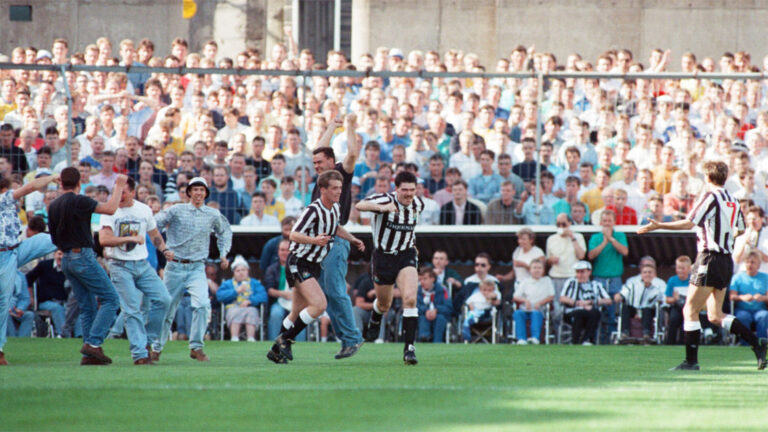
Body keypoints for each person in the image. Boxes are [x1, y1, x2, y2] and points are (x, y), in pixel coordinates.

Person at [638, 160, 767, 370]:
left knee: (690, 309)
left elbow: (690, 222)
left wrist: (659, 225)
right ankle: (757, 344)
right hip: (726, 260)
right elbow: (741, 228)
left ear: (707, 178)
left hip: (709, 258)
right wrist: (728, 237)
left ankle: (691, 361)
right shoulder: (733, 200)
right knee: (715, 315)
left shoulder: (711, 196)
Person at [267, 170, 365, 364]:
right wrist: (314, 240)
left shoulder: (335, 208)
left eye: (340, 188)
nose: (339, 192)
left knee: (296, 312)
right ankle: (285, 339)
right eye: (335, 188)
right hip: (299, 262)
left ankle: (276, 351)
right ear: (323, 190)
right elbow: (294, 235)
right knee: (319, 305)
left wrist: (353, 239)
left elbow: (334, 227)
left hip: (313, 265)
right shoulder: (313, 210)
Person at [48, 168, 128, 365]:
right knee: (111, 299)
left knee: (87, 305)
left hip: (66, 257)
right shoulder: (79, 200)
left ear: (61, 183)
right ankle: (93, 343)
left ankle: (89, 354)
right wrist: (118, 186)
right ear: (79, 183)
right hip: (82, 255)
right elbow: (109, 209)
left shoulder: (54, 205)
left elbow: (54, 238)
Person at [301, 115, 365, 359]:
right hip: (320, 240)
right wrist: (331, 126)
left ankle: (352, 339)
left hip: (333, 240)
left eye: (320, 162)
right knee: (328, 291)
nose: (315, 165)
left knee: (336, 291)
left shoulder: (340, 174)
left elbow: (352, 154)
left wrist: (348, 126)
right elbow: (320, 149)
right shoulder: (322, 180)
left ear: (331, 161)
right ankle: (348, 339)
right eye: (315, 162)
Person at [153, 177, 233, 362]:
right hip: (174, 267)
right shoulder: (176, 210)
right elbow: (153, 223)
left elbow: (225, 231)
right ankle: (156, 348)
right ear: (189, 192)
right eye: (195, 189)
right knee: (167, 308)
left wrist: (223, 254)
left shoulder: (212, 214)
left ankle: (196, 346)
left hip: (197, 267)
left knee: (203, 305)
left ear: (206, 193)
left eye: (201, 190)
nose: (198, 193)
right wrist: (163, 248)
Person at [98, 176, 172, 365]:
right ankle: (139, 354)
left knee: (164, 299)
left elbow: (154, 233)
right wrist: (128, 239)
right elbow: (104, 240)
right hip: (120, 265)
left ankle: (147, 340)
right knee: (132, 309)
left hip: (142, 264)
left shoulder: (143, 209)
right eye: (116, 192)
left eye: (122, 192)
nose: (118, 196)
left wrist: (164, 249)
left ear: (132, 192)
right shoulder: (109, 210)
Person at [356, 171, 425, 364]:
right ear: (396, 189)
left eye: (412, 190)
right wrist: (382, 208)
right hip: (383, 257)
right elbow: (359, 205)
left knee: (410, 298)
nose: (409, 194)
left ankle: (409, 348)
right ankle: (376, 316)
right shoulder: (385, 198)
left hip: (406, 255)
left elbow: (410, 229)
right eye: (405, 190)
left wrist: (413, 246)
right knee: (384, 303)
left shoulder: (418, 204)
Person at [0, 173, 60, 365]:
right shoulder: (5, 198)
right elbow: (31, 186)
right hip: (4, 255)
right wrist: (52, 177)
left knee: (47, 238)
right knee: (3, 301)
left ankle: (74, 240)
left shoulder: (8, 203)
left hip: (15, 249)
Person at [587, 209, 629, 342]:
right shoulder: (595, 238)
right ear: (600, 222)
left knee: (613, 309)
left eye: (609, 221)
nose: (607, 223)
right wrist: (604, 242)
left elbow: (624, 251)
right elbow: (591, 255)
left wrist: (611, 239)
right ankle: (597, 338)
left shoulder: (620, 235)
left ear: (614, 222)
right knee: (597, 309)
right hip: (599, 278)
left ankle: (612, 337)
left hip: (615, 278)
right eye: (604, 221)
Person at [216, 255, 268, 342]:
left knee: (252, 311)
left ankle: (251, 338)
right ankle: (234, 338)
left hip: (249, 307)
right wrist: (235, 292)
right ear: (234, 273)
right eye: (238, 271)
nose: (241, 272)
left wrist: (250, 301)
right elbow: (220, 296)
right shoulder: (227, 284)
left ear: (248, 271)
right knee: (234, 311)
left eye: (243, 270)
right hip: (233, 307)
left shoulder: (254, 283)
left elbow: (263, 295)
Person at [560, 261, 612, 345]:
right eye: (578, 272)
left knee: (595, 312)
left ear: (589, 272)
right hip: (573, 311)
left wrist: (592, 302)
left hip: (591, 311)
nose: (579, 275)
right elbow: (562, 298)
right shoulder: (571, 282)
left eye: (582, 272)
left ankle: (585, 340)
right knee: (580, 313)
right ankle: (578, 341)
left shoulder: (596, 284)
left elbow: (608, 300)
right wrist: (578, 303)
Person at [545, 213, 586, 314]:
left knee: (573, 307)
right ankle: (557, 329)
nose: (561, 227)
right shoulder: (551, 239)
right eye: (558, 224)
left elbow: (581, 256)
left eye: (563, 224)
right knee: (556, 308)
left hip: (572, 277)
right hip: (556, 277)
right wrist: (551, 260)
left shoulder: (578, 237)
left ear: (570, 223)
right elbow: (547, 260)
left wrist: (572, 237)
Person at [614, 263, 665, 344]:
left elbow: (659, 302)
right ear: (641, 274)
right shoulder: (632, 286)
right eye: (645, 272)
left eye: (650, 272)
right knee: (625, 307)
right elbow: (623, 293)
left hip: (647, 311)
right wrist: (618, 296)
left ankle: (646, 335)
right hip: (633, 309)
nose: (647, 274)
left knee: (647, 309)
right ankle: (625, 334)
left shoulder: (656, 290)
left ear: (654, 275)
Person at [25, 250, 68, 338]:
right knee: (57, 308)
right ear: (54, 254)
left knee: (76, 308)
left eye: (64, 254)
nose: (61, 257)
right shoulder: (44, 265)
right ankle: (64, 335)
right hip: (46, 302)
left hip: (64, 301)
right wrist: (31, 297)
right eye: (59, 254)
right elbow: (28, 279)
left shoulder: (69, 268)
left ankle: (80, 336)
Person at [512, 258, 555, 344]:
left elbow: (551, 296)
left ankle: (535, 338)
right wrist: (525, 300)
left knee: (535, 313)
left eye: (539, 268)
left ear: (543, 270)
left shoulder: (547, 280)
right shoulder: (525, 281)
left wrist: (540, 303)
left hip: (539, 308)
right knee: (517, 313)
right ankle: (521, 339)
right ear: (530, 270)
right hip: (525, 308)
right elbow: (515, 296)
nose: (537, 270)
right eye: (534, 268)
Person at [729, 252, 768, 345]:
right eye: (747, 262)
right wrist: (742, 297)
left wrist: (762, 298)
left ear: (758, 265)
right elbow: (732, 296)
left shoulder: (765, 277)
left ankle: (762, 344)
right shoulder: (737, 277)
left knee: (764, 316)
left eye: (753, 262)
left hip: (760, 309)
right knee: (743, 317)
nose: (750, 265)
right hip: (742, 309)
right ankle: (745, 344)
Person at [416, 268, 452, 343]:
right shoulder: (417, 291)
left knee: (440, 318)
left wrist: (436, 310)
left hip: (439, 315)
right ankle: (424, 339)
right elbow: (415, 306)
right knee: (422, 318)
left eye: (425, 279)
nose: (422, 282)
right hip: (422, 315)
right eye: (420, 279)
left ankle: (437, 342)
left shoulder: (443, 290)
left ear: (432, 279)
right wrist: (425, 311)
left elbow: (448, 307)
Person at [665, 255, 693, 345]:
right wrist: (674, 299)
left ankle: (682, 342)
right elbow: (667, 299)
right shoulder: (672, 280)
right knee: (673, 319)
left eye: (683, 268)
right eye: (678, 268)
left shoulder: (692, 280)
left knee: (685, 322)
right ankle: (670, 342)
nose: (680, 270)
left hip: (689, 307)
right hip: (676, 306)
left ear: (689, 269)